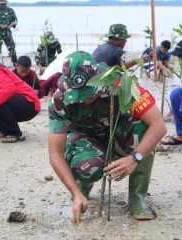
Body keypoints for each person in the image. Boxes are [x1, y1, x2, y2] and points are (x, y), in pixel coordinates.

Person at [48, 51, 166, 225]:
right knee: (88, 167)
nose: (84, 101)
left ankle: (137, 197)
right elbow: (55, 154)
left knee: (143, 127)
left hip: (118, 136)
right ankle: (82, 190)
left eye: (88, 95)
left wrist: (135, 158)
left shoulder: (121, 83)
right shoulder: (59, 100)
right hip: (85, 141)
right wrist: (75, 193)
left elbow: (159, 126)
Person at [0, 0, 18, 65]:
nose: (3, 5)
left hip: (7, 31)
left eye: (4, 4)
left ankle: (14, 62)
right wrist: (0, 26)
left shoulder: (10, 11)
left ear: (6, 3)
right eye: (1, 4)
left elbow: (15, 20)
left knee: (12, 46)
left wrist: (11, 24)